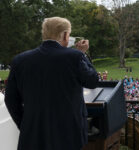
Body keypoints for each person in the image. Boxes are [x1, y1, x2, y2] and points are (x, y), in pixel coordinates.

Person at [5, 17, 98, 150]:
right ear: (65, 35)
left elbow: (10, 99)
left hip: (33, 133)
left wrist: (25, 124)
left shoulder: (20, 60)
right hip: (68, 133)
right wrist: (82, 54)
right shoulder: (74, 57)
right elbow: (93, 81)